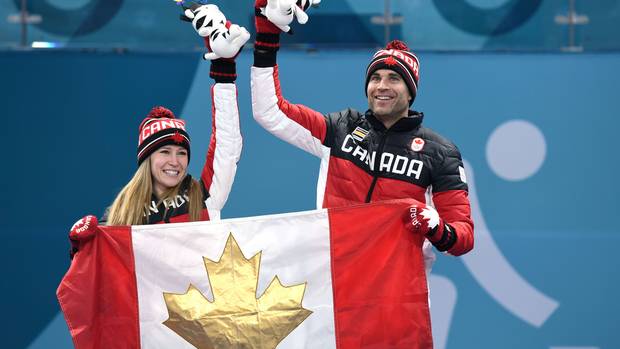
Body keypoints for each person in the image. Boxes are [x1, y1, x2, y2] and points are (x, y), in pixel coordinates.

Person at [250, 0, 474, 273]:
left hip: (397, 291)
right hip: (334, 278)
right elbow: (269, 110)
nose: (381, 86)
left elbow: (462, 237)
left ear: (410, 92)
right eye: (375, 77)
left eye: (394, 78)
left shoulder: (440, 152)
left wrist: (437, 228)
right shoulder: (340, 128)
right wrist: (267, 34)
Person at [69, 4, 248, 256]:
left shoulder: (205, 196)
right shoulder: (123, 215)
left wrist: (224, 72)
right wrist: (82, 251)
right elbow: (107, 278)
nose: (174, 161)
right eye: (164, 151)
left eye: (182, 153)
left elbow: (227, 145)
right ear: (147, 158)